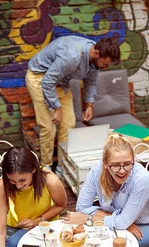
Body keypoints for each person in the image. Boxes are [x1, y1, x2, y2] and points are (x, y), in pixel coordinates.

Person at [26, 36, 121, 167]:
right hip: (40, 79)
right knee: (48, 128)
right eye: (105, 64)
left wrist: (89, 104)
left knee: (69, 125)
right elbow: (48, 81)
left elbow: (91, 81)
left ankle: (62, 167)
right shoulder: (71, 57)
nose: (105, 68)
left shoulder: (95, 56)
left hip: (61, 82)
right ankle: (46, 168)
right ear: (96, 53)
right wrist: (57, 108)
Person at [63, 133, 149, 247]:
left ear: (134, 160)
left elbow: (121, 222)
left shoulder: (142, 179)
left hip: (148, 225)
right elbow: (82, 207)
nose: (122, 171)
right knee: (86, 240)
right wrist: (120, 222)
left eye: (128, 164)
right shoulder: (97, 170)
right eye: (115, 165)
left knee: (107, 245)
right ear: (105, 163)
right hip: (120, 224)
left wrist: (88, 219)